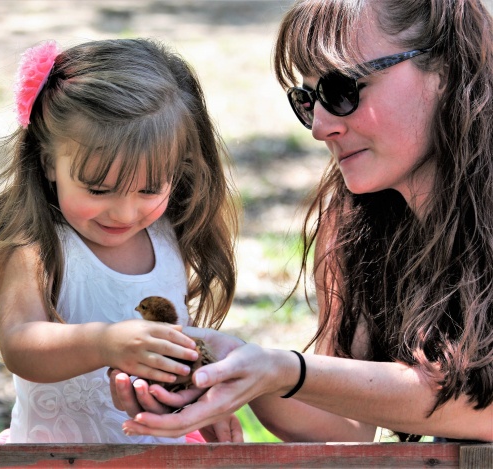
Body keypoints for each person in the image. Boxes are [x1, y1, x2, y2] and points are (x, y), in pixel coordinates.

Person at [113, 0, 493, 442]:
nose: (320, 126)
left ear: (445, 69)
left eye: (342, 89)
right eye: (307, 100)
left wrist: (287, 371)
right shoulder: (353, 220)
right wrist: (224, 370)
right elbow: (344, 426)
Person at [0, 37, 243, 443]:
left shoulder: (167, 235)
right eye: (98, 189)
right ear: (48, 163)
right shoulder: (38, 247)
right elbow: (19, 344)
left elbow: (176, 341)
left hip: (159, 450)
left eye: (149, 189)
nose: (124, 213)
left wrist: (199, 399)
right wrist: (104, 343)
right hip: (58, 455)